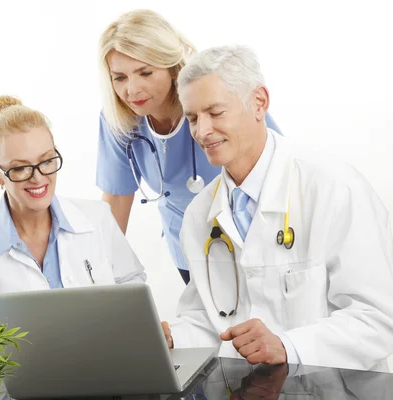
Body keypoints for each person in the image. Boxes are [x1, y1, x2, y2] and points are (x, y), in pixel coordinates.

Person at [162, 45, 393, 371]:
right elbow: (208, 320)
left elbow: (379, 319)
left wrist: (288, 345)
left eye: (215, 113)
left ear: (259, 103)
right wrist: (173, 338)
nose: (202, 131)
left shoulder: (333, 187)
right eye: (192, 118)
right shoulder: (200, 215)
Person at [96, 9, 281, 284]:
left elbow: (281, 173)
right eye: (119, 77)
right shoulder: (120, 121)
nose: (131, 90)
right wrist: (97, 275)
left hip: (258, 243)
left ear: (172, 68)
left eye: (145, 72)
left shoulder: (217, 95)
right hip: (190, 249)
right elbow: (115, 205)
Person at [0, 95, 146, 308]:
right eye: (20, 168)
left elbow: (132, 285)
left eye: (46, 161)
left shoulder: (97, 217)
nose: (38, 177)